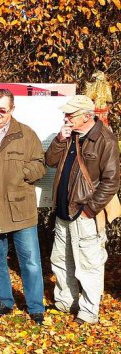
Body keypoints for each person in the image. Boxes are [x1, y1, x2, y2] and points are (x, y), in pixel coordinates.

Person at [0, 89, 46, 324]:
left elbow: (40, 164)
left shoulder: (26, 134)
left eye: (2, 110)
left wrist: (22, 173)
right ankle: (4, 302)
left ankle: (35, 307)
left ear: (12, 110)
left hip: (20, 210)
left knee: (31, 262)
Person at [45, 95, 119, 324]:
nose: (66, 117)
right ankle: (66, 301)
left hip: (85, 212)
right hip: (63, 211)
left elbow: (112, 180)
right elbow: (50, 160)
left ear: (87, 116)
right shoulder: (69, 135)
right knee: (60, 260)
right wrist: (59, 138)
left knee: (89, 264)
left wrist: (90, 209)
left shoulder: (104, 139)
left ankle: (88, 312)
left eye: (71, 114)